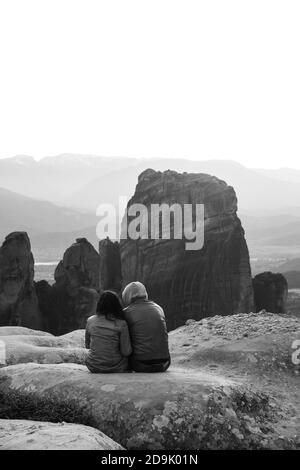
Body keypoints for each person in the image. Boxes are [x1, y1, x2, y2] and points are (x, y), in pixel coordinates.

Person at [122, 281, 170, 373]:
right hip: (165, 363)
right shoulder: (159, 308)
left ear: (126, 296)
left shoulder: (125, 313)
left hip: (140, 364)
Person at [85, 290, 132, 373]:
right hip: (117, 366)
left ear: (99, 305)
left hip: (93, 366)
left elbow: (88, 346)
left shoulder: (90, 321)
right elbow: (126, 352)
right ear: (117, 306)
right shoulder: (122, 324)